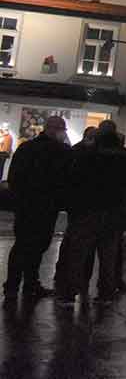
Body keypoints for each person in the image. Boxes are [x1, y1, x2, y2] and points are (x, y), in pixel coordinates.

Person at [55, 121, 126, 305]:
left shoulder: (87, 155)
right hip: (114, 211)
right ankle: (106, 293)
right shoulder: (124, 157)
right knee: (108, 255)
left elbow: (73, 180)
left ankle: (70, 292)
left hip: (87, 210)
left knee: (78, 254)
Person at [3, 115, 70, 302]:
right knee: (39, 246)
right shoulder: (62, 151)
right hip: (47, 206)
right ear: (57, 130)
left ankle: (12, 285)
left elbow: (14, 176)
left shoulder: (26, 148)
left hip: (26, 205)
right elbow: (67, 180)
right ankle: (31, 283)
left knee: (22, 244)